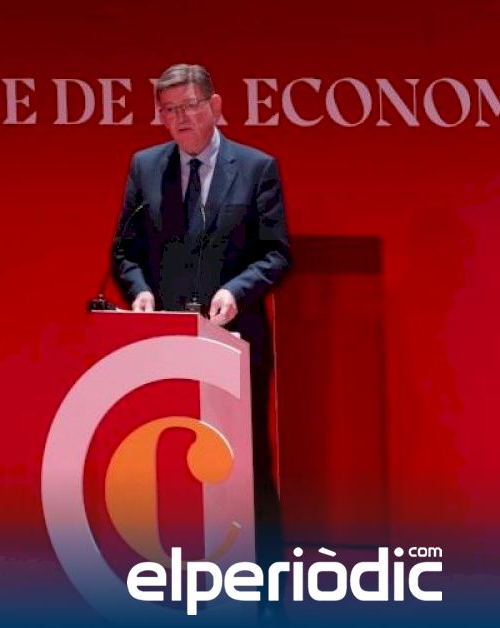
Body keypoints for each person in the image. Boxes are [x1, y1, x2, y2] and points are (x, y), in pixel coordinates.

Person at [110, 62, 291, 608]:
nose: (180, 119)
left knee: (243, 468)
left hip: (233, 340)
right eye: (169, 111)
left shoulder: (256, 167)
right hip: (166, 345)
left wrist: (236, 291)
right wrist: (139, 291)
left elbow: (277, 254)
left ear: (214, 106)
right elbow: (124, 252)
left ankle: (267, 594)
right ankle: (178, 585)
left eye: (189, 106)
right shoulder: (145, 167)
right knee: (172, 464)